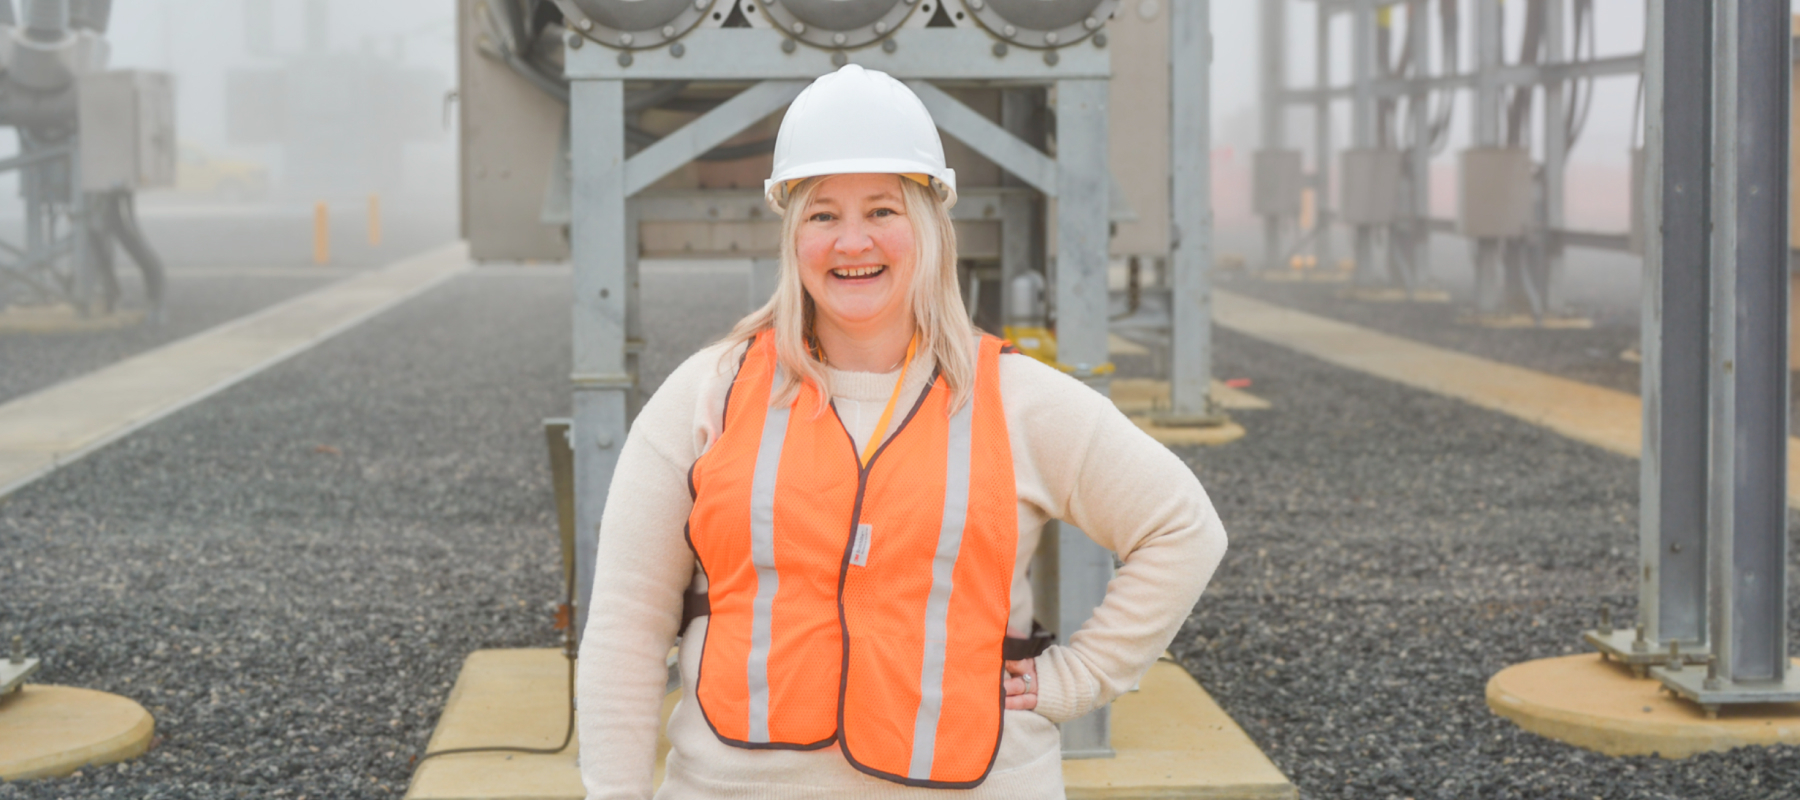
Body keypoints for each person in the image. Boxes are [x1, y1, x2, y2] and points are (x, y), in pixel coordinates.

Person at [577, 64, 1227, 798]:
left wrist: (1075, 680)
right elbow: (627, 630)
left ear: (928, 225)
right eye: (823, 215)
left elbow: (1183, 526)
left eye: (882, 210)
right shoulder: (709, 393)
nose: (853, 242)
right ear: (793, 235)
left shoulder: (1016, 400)